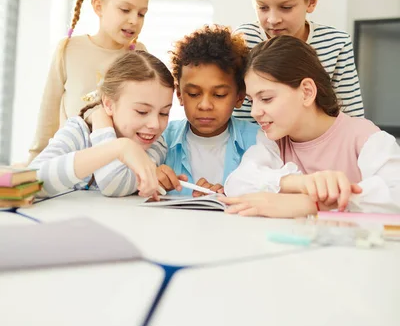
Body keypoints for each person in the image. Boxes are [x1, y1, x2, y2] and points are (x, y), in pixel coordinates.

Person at [223, 36, 400, 216]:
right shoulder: (273, 141)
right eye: (251, 101)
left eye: (266, 98)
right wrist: (300, 183)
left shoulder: (364, 137)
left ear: (307, 92)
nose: (254, 112)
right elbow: (236, 183)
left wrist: (312, 203)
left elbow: (395, 192)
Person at [233, 0, 364, 121]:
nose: (273, 19)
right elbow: (238, 118)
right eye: (262, 7)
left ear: (311, 1)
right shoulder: (244, 40)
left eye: (286, 8)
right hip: (256, 145)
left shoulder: (337, 45)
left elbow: (352, 119)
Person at [28, 0, 150, 161]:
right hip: (73, 165)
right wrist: (33, 161)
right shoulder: (69, 49)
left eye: (141, 14)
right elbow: (48, 113)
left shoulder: (139, 55)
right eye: (125, 10)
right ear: (98, 7)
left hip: (119, 165)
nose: (134, 20)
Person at [31, 51, 174, 198]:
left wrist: (111, 137)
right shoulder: (79, 133)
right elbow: (29, 183)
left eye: (164, 113)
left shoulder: (156, 144)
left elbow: (113, 184)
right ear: (109, 104)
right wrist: (119, 148)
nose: (155, 124)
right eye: (142, 111)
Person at [157, 25, 259, 195]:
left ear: (239, 97)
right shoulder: (160, 140)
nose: (205, 105)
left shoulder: (258, 142)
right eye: (193, 93)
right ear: (180, 94)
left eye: (219, 95)